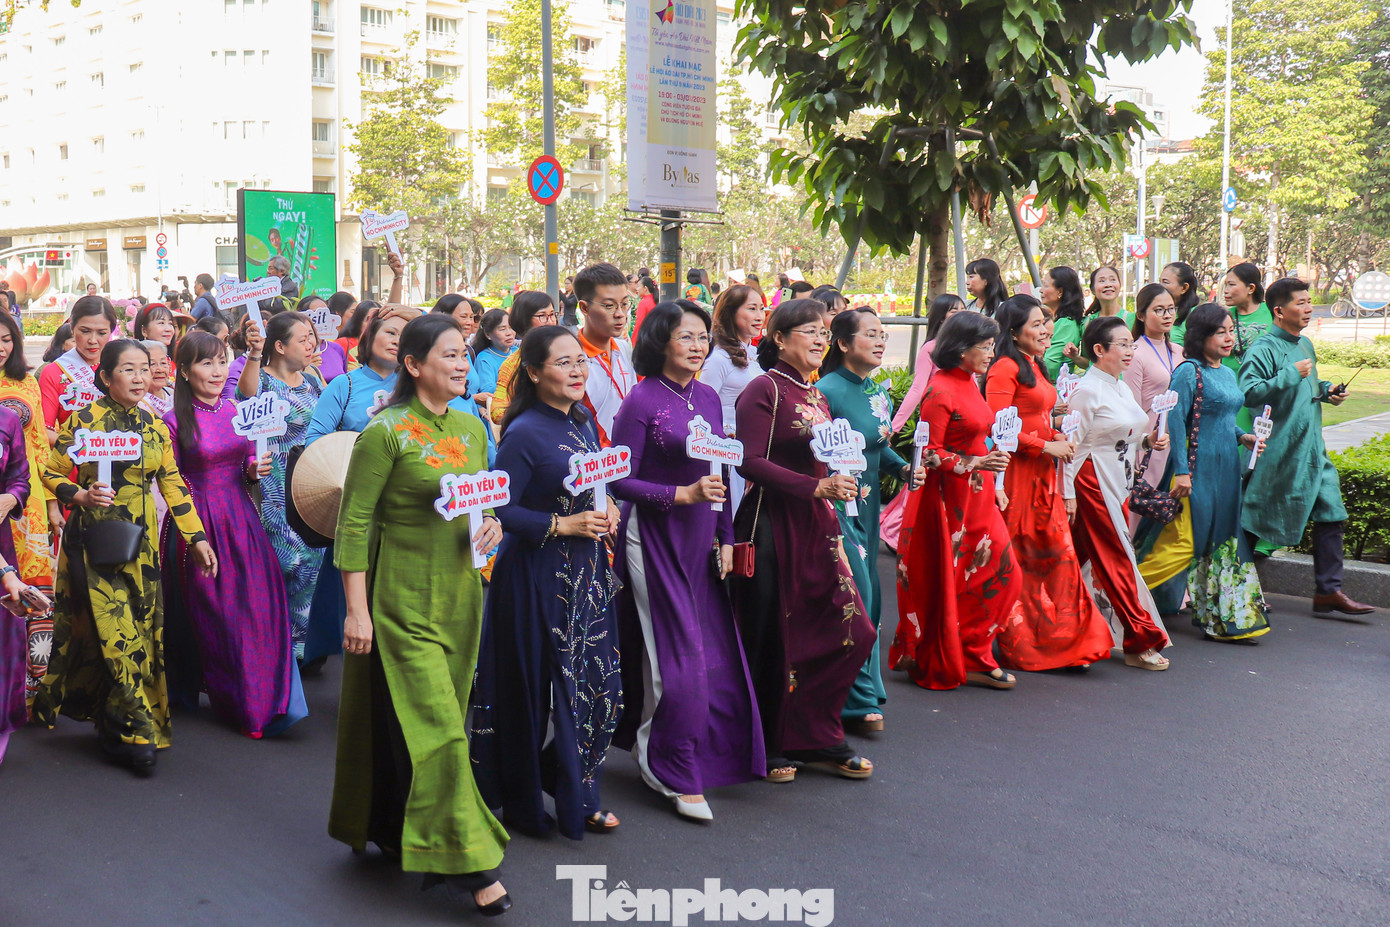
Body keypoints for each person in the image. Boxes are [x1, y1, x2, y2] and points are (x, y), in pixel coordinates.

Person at [330, 314, 511, 916]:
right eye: (449, 355)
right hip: (400, 597)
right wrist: (357, 612)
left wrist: (491, 524)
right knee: (441, 731)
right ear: (413, 365)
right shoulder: (384, 433)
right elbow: (354, 524)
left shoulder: (474, 424)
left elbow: (483, 497)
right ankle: (467, 864)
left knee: (427, 721)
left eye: (465, 354)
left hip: (462, 594)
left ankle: (387, 823)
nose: (462, 364)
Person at [609, 301, 765, 821]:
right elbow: (618, 480)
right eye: (686, 337)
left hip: (701, 539)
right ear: (659, 342)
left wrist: (724, 535)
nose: (698, 346)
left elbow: (718, 469)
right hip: (651, 537)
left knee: (706, 656)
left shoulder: (706, 397)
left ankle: (663, 747)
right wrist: (681, 496)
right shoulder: (640, 400)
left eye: (703, 337)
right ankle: (666, 765)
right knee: (674, 661)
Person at [471, 325, 624, 839]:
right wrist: (562, 525)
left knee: (595, 685)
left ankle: (577, 790)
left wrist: (609, 505)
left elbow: (593, 476)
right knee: (533, 692)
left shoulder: (580, 419)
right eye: (564, 363)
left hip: (585, 572)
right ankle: (521, 800)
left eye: (581, 361)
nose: (578, 370)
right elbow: (503, 508)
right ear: (534, 374)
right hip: (535, 575)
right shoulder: (523, 432)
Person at [36, 340, 217, 774]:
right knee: (119, 638)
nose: (139, 377)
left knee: (139, 633)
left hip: (142, 549)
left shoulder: (154, 427)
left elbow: (172, 483)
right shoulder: (83, 422)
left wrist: (197, 538)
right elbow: (49, 469)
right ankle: (136, 735)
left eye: (146, 369)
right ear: (105, 377)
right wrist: (78, 494)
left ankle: (112, 719)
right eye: (129, 370)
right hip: (93, 548)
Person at [727, 298, 875, 782]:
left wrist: (842, 477)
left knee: (849, 629)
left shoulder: (816, 396)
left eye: (823, 332)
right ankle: (769, 742)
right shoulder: (762, 389)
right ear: (779, 338)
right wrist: (814, 486)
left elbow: (826, 456)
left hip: (817, 523)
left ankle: (817, 732)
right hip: (771, 524)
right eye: (808, 330)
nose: (819, 340)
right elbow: (747, 461)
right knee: (773, 637)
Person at [162, 332, 307, 735]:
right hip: (196, 524)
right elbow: (171, 480)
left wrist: (253, 470)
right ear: (186, 371)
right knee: (216, 616)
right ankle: (230, 697)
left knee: (257, 609)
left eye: (222, 361)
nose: (216, 371)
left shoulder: (237, 410)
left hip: (241, 520)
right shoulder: (173, 420)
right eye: (206, 363)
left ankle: (264, 699)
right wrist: (195, 534)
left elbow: (247, 465)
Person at [892, 312, 1020, 689]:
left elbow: (977, 438)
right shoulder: (941, 389)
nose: (991, 353)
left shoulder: (970, 381)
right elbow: (929, 453)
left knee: (1004, 573)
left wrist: (990, 472)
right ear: (961, 349)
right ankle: (947, 652)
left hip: (978, 493)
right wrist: (977, 462)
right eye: (984, 347)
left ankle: (972, 649)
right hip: (947, 500)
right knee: (946, 582)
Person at [984, 297, 1111, 671]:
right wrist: (1045, 444)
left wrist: (1056, 433)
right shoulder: (1004, 368)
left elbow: (1036, 415)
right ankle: (1022, 643)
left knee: (1055, 557)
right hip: (1017, 476)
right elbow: (999, 425)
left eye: (1046, 322)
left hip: (1044, 474)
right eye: (1037, 324)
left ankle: (1065, 640)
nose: (1046, 331)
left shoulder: (1033, 365)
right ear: (1012, 330)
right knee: (1022, 558)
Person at [1134, 304, 1271, 642]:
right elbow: (1177, 425)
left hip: (1226, 472)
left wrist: (1244, 437)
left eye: (1230, 330)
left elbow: (1221, 419)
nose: (1229, 337)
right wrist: (1181, 472)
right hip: (1194, 473)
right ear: (1200, 335)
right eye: (1220, 331)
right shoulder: (1188, 371)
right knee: (1182, 544)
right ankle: (1114, 594)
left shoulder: (1225, 372)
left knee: (1222, 542)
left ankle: (1226, 619)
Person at [1239, 277, 1375, 616]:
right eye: (1301, 302)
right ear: (1279, 311)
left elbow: (1308, 386)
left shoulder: (1305, 344)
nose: (1309, 307)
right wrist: (1288, 375)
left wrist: (1328, 390)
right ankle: (1237, 589)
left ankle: (1328, 591)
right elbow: (1249, 392)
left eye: (1309, 301)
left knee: (1332, 513)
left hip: (1312, 450)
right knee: (1255, 521)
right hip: (1279, 452)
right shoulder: (1263, 347)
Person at [817, 308, 924, 730]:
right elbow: (819, 453)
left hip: (868, 509)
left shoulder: (877, 390)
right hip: (838, 507)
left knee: (873, 601)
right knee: (854, 597)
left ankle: (858, 690)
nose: (881, 341)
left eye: (883, 335)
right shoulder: (826, 392)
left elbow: (877, 445)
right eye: (871, 335)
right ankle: (854, 703)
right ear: (842, 343)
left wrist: (900, 468)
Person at [1062, 317, 1172, 670]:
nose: (1130, 350)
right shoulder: (1086, 391)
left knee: (1072, 561)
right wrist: (1068, 494)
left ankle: (1055, 628)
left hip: (1117, 478)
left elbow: (1126, 433)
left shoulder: (1120, 386)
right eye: (1122, 344)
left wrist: (1147, 440)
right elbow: (1072, 447)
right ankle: (1140, 638)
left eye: (1131, 344)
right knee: (1118, 559)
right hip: (1091, 480)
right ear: (1099, 350)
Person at [238, 311, 326, 658]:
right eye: (303, 338)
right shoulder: (260, 381)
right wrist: (254, 354)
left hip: (312, 488)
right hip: (273, 489)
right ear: (279, 345)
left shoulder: (313, 381)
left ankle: (304, 648)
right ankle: (277, 652)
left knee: (313, 566)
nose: (311, 344)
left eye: (312, 337)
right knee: (284, 565)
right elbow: (245, 394)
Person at [0, 312, 56, 706]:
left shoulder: (26, 382)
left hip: (25, 500)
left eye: (5, 339)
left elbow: (38, 445)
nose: (0, 347)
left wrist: (49, 501)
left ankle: (30, 692)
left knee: (33, 593)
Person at [881, 293, 966, 550]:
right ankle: (895, 530)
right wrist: (894, 427)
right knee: (924, 476)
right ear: (941, 317)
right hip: (935, 425)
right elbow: (917, 389)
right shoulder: (931, 348)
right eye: (954, 311)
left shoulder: (965, 348)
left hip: (960, 426)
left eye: (963, 309)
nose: (960, 314)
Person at [1124, 283, 1183, 544]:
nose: (1167, 315)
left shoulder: (1180, 351)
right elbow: (1132, 407)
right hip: (1147, 446)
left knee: (1170, 513)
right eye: (1159, 310)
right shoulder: (1135, 354)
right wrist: (1139, 449)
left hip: (1175, 443)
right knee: (1142, 511)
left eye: (1170, 309)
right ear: (1141, 315)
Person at [701, 284, 766, 511]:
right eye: (752, 309)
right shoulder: (718, 359)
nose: (759, 316)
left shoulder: (753, 354)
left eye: (762, 308)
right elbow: (703, 407)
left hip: (753, 451)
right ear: (730, 312)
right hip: (728, 455)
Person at [40, 296, 117, 446]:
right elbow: (45, 430)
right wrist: (87, 448)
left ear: (111, 331)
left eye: (101, 333)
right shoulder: (54, 372)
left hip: (123, 460)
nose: (93, 340)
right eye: (85, 331)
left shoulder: (122, 366)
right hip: (74, 460)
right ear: (71, 328)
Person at [575, 262, 637, 446]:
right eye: (609, 306)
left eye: (625, 304)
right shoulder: (572, 358)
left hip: (627, 461)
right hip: (592, 465)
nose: (620, 314)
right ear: (584, 308)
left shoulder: (623, 348)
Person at [487, 291, 559, 425]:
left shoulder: (567, 351)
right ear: (524, 320)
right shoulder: (512, 364)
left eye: (552, 314)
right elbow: (497, 412)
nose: (550, 321)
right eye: (542, 316)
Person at [1039, 266, 1088, 379]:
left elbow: (1050, 365)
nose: (1041, 290)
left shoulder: (1066, 324)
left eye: (1045, 285)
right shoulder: (1059, 321)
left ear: (1060, 291)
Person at [467, 308, 516, 408]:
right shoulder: (484, 358)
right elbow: (488, 389)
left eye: (511, 327)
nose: (509, 333)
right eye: (502, 329)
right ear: (488, 334)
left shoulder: (517, 351)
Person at [297, 295, 348, 383]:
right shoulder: (296, 350)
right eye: (316, 314)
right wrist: (305, 370)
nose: (322, 318)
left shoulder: (337, 349)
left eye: (325, 313)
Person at [1160, 261, 1201, 346]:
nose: (1160, 286)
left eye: (1165, 282)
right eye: (1160, 282)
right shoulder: (1155, 312)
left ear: (1184, 288)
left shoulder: (1196, 316)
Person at [630, 276, 659, 341]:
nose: (637, 289)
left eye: (639, 286)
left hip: (646, 340)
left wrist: (633, 341)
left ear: (645, 288)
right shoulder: (656, 301)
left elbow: (639, 324)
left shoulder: (643, 303)